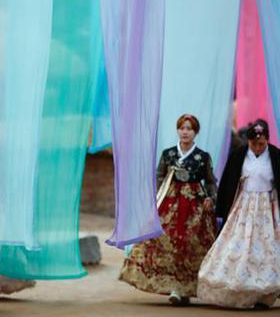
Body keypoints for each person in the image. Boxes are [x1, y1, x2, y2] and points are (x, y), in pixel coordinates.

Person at [119, 114, 217, 305]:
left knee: (189, 244)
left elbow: (211, 181)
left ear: (195, 132)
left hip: (194, 208)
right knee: (165, 240)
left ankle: (186, 289)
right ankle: (173, 287)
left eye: (189, 128)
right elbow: (159, 176)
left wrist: (210, 198)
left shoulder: (203, 157)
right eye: (182, 128)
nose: (185, 132)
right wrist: (156, 197)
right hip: (169, 205)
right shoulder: (168, 154)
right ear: (177, 130)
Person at [198, 119, 280, 309]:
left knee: (267, 248)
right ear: (248, 142)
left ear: (267, 139)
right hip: (243, 207)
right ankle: (241, 289)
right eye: (253, 144)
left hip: (267, 208)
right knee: (239, 246)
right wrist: (223, 205)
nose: (258, 148)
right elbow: (229, 181)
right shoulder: (239, 156)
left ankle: (264, 294)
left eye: (261, 144)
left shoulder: (275, 156)